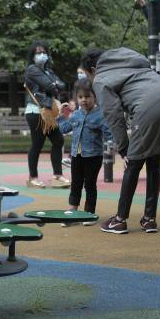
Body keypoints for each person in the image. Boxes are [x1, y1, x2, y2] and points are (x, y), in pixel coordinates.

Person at [81, 47, 160, 234]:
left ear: (93, 69)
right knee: (154, 162)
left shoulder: (101, 78)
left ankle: (120, 220)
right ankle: (149, 219)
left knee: (133, 163)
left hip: (148, 107)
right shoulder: (131, 61)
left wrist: (123, 148)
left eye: (87, 75)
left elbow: (112, 114)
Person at [57, 78, 113, 225]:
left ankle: (89, 213)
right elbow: (64, 129)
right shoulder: (75, 114)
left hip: (93, 156)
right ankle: (73, 211)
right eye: (80, 97)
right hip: (77, 155)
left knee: (90, 184)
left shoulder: (100, 115)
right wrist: (61, 116)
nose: (84, 100)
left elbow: (109, 134)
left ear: (95, 96)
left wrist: (116, 144)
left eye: (87, 96)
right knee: (75, 183)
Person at [23, 40, 69, 188]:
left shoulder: (49, 71)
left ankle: (57, 176)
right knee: (37, 144)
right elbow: (50, 85)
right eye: (38, 53)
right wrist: (53, 85)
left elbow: (62, 86)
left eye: (44, 52)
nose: (42, 55)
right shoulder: (32, 69)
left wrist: (54, 85)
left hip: (49, 112)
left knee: (58, 141)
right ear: (33, 55)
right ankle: (32, 178)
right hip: (36, 111)